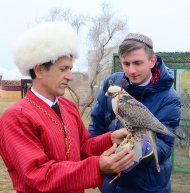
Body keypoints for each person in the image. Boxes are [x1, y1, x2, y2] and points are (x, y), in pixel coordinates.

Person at [0, 22, 135, 193]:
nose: (70, 77)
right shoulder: (16, 117)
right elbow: (39, 174)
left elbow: (83, 146)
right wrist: (96, 167)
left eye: (70, 69)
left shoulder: (68, 107)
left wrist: (110, 139)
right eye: (63, 69)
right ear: (40, 69)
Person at [88, 33, 181, 193]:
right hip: (110, 184)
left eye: (137, 63)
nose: (131, 70)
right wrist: (96, 162)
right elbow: (95, 129)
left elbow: (164, 146)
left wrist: (142, 151)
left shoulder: (169, 97)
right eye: (126, 63)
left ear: (152, 61)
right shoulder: (112, 84)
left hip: (146, 187)